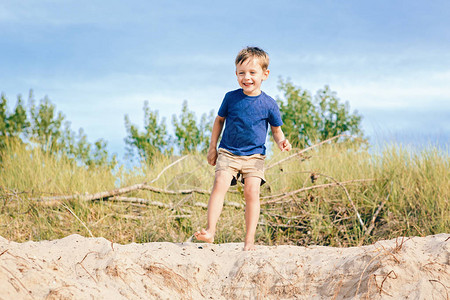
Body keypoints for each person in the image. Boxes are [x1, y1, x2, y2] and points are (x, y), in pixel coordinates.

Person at [194, 46, 292, 251]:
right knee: (220, 183)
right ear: (236, 74)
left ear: (265, 74)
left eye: (252, 73)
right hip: (228, 152)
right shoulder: (231, 98)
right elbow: (219, 121)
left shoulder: (269, 104)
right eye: (241, 73)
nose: (246, 77)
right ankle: (210, 231)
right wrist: (213, 148)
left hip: (255, 156)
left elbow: (276, 130)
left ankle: (249, 240)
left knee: (252, 192)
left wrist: (282, 141)